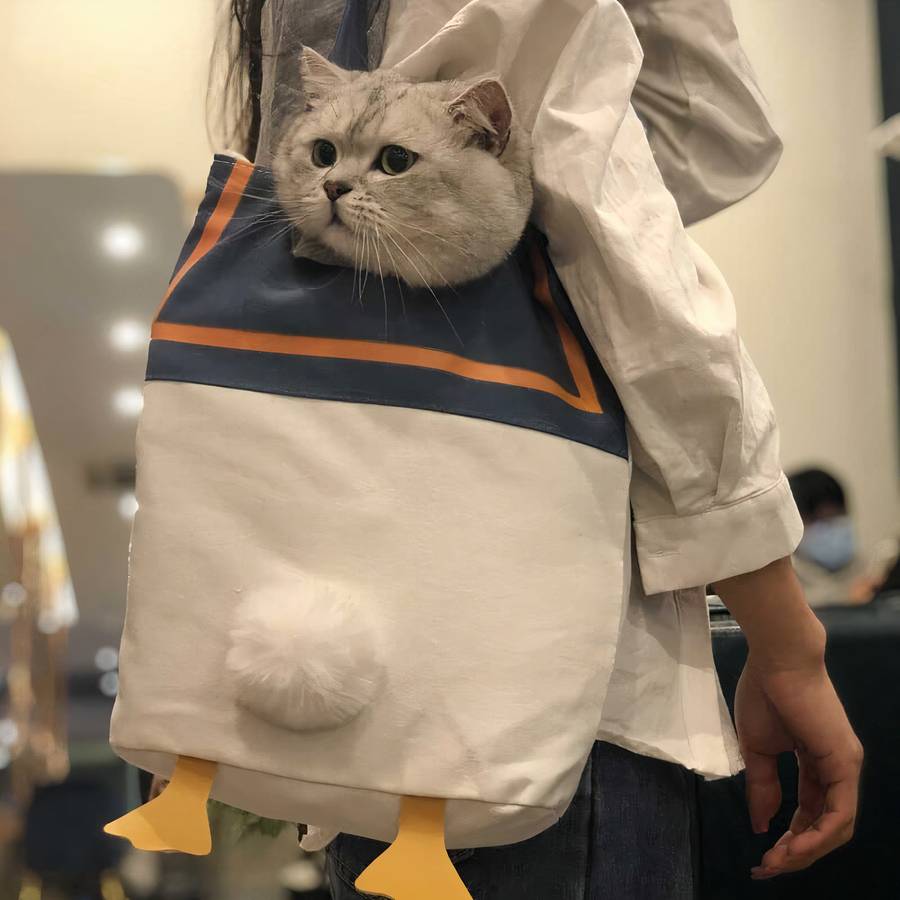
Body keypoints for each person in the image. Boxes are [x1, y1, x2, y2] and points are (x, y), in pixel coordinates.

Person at [217, 2, 863, 896]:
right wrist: (787, 641)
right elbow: (634, 274)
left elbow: (718, 142)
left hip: (363, 682)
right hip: (545, 694)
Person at [788, 467, 878, 607]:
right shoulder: (783, 580)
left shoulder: (870, 568)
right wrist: (850, 599)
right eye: (818, 521)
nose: (831, 530)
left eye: (836, 517)